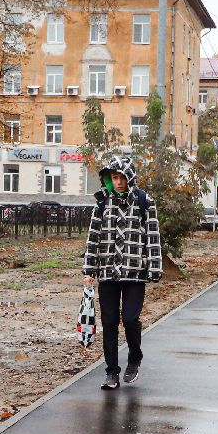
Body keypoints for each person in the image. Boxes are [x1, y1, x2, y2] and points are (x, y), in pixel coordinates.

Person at [81, 153, 163, 390]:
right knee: (109, 322)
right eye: (114, 178)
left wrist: (155, 266)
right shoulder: (102, 202)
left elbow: (153, 237)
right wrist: (89, 269)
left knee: (129, 319)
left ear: (130, 177)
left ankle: (134, 358)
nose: (118, 182)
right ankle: (111, 372)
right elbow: (93, 238)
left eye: (121, 177)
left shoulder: (144, 201)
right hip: (107, 272)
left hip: (135, 273)